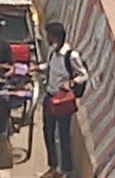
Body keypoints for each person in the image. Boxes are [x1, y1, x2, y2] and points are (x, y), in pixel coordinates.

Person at [41, 21, 89, 178]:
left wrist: (72, 82)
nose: (47, 37)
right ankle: (53, 167)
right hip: (49, 97)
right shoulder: (52, 52)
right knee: (48, 132)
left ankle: (66, 170)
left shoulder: (71, 55)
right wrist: (38, 68)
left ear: (55, 37)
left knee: (63, 134)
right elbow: (50, 67)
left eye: (48, 35)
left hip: (63, 99)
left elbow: (84, 75)